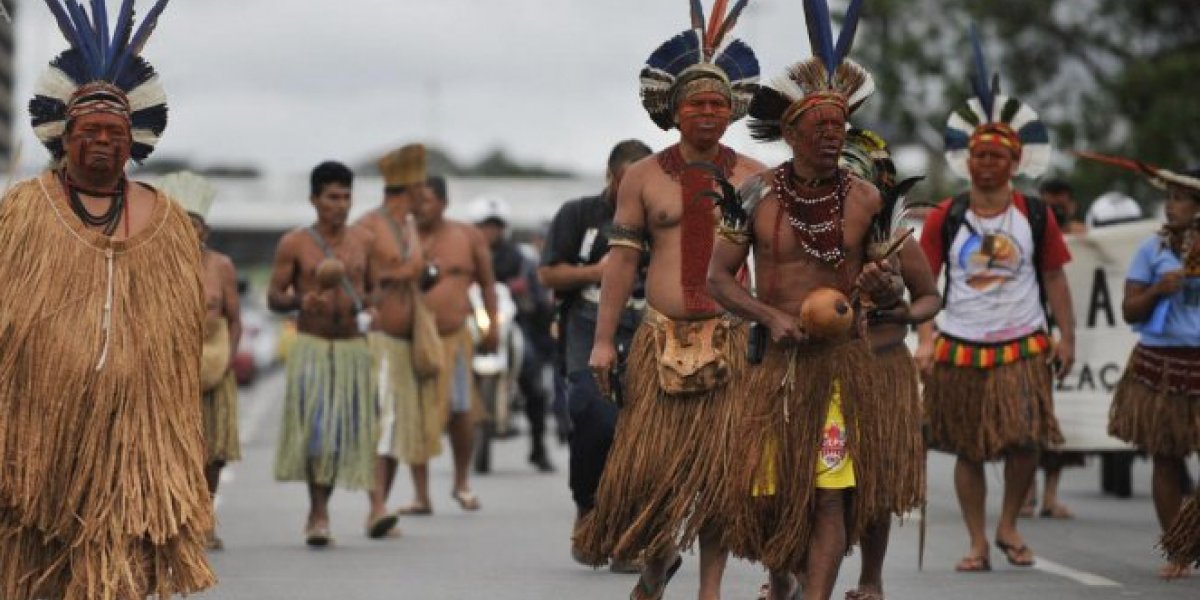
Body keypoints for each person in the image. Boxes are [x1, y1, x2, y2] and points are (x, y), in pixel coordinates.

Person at [0, 2, 216, 597]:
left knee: (118, 568)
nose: (100, 142)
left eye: (113, 134)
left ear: (133, 142)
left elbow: (180, 336)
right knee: (35, 563)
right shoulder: (21, 211)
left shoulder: (167, 222)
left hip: (131, 433)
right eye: (88, 131)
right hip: (38, 432)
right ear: (63, 138)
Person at [707, 5, 899, 598]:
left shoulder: (867, 197)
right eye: (819, 126)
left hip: (839, 368)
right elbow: (718, 278)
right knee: (767, 493)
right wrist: (769, 314)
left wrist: (882, 288)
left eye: (839, 126)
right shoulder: (756, 192)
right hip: (773, 367)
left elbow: (890, 285)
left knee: (830, 495)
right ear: (790, 132)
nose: (832, 134)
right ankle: (784, 577)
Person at [575, 2, 765, 597]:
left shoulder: (757, 177)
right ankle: (656, 569)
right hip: (659, 340)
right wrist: (604, 341)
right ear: (673, 111)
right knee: (654, 472)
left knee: (719, 474)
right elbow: (622, 262)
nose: (707, 113)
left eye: (717, 103)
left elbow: (774, 262)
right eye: (695, 103)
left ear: (733, 109)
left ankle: (709, 589)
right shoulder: (643, 178)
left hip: (732, 341)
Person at [915, 34, 1075, 573]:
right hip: (961, 341)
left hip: (1024, 339)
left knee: (1026, 438)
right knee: (967, 448)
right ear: (967, 160)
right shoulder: (946, 214)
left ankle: (1010, 522)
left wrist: (1067, 336)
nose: (987, 163)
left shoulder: (1035, 214)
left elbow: (1055, 279)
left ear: (1014, 160)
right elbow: (925, 282)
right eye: (979, 154)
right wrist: (929, 338)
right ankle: (978, 540)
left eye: (997, 156)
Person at [1080, 156, 1200, 579]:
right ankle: (1176, 548)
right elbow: (1130, 310)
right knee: (1165, 458)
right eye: (1169, 198)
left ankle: (1191, 533)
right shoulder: (1153, 249)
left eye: (1182, 199)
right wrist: (1157, 290)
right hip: (1160, 363)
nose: (1172, 206)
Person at [539, 139, 652, 569]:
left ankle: (629, 535)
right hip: (587, 326)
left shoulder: (658, 215)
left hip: (646, 326)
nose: (633, 193)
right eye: (626, 183)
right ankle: (588, 507)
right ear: (610, 176)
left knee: (639, 428)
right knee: (593, 415)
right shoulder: (578, 214)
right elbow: (548, 273)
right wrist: (597, 272)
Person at [838, 130, 941, 600]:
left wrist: (903, 313)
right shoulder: (802, 233)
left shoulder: (894, 240)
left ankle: (870, 579)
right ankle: (794, 572)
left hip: (882, 367)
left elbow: (929, 298)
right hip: (818, 366)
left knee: (874, 481)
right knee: (809, 477)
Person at [268, 161, 378, 547]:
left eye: (347, 197)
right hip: (312, 347)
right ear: (314, 199)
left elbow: (374, 290)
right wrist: (302, 300)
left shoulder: (364, 241)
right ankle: (318, 513)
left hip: (351, 349)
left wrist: (369, 306)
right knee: (317, 433)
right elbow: (274, 297)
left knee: (338, 434)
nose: (341, 204)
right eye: (333, 197)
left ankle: (332, 508)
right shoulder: (294, 243)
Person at [401, 174, 499, 514]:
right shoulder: (402, 236)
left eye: (425, 200)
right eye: (414, 201)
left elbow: (487, 283)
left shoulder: (467, 236)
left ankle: (462, 482)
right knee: (417, 413)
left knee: (461, 411)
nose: (418, 208)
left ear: (443, 202)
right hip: (413, 339)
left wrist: (492, 324)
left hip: (456, 337)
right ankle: (421, 494)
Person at [160, 172, 244, 552]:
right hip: (171, 372)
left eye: (192, 225)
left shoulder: (222, 266)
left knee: (213, 452)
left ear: (205, 231)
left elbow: (235, 318)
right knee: (175, 451)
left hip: (215, 367)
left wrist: (225, 361)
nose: (187, 232)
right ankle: (177, 520)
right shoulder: (156, 266)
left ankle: (205, 517)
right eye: (179, 224)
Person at [352, 144, 432, 540]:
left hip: (405, 341)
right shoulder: (368, 226)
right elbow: (357, 280)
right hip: (379, 338)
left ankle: (381, 506)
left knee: (398, 429)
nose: (426, 193)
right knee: (379, 425)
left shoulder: (410, 226)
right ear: (409, 188)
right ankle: (376, 507)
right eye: (421, 186)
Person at [469, 194, 558, 472]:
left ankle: (538, 447)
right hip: (471, 325)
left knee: (533, 376)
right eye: (485, 226)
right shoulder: (464, 255)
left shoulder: (520, 259)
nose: (490, 231)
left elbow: (539, 292)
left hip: (513, 326)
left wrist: (532, 299)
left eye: (495, 226)